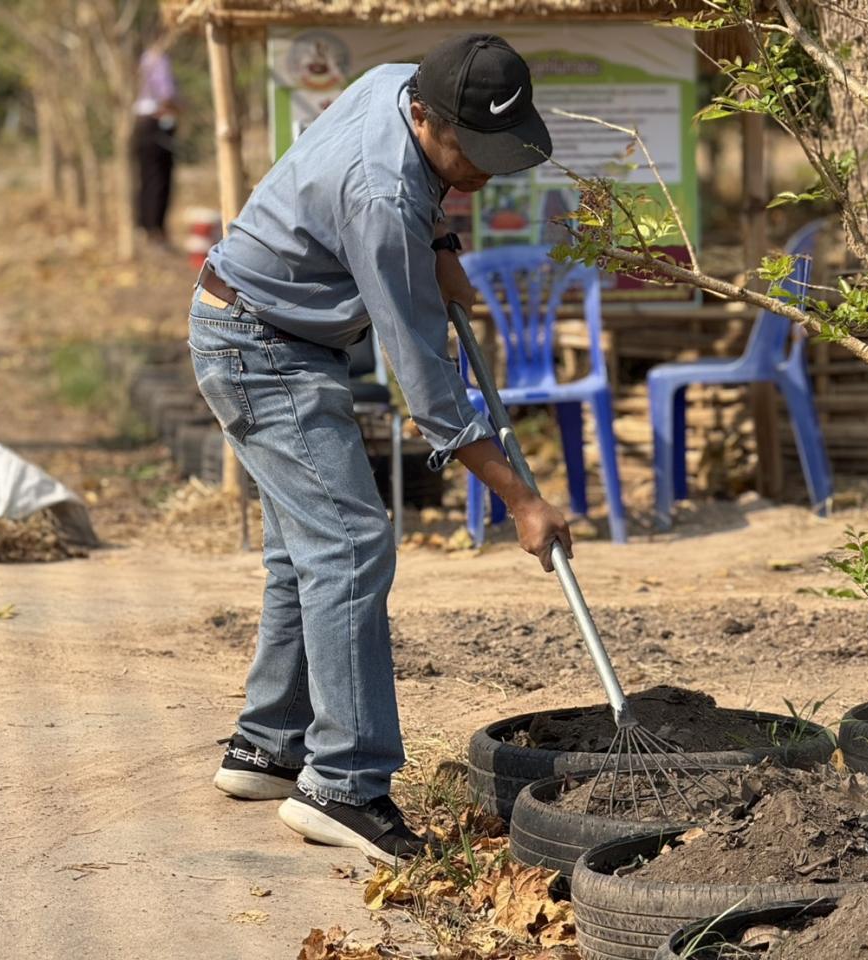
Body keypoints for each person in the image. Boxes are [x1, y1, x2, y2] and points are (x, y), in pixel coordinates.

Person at [194, 34, 569, 865]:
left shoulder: (399, 82)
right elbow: (429, 395)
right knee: (354, 547)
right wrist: (521, 498)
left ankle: (267, 746)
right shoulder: (382, 199)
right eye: (469, 152)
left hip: (267, 330)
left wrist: (441, 246)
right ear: (428, 118)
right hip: (262, 350)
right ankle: (346, 786)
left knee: (308, 552)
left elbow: (421, 204)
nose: (482, 169)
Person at [132, 37, 178, 246]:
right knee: (159, 179)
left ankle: (144, 225)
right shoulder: (158, 60)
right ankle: (155, 230)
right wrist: (180, 107)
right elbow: (166, 94)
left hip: (141, 123)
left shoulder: (143, 60)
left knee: (146, 177)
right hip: (156, 124)